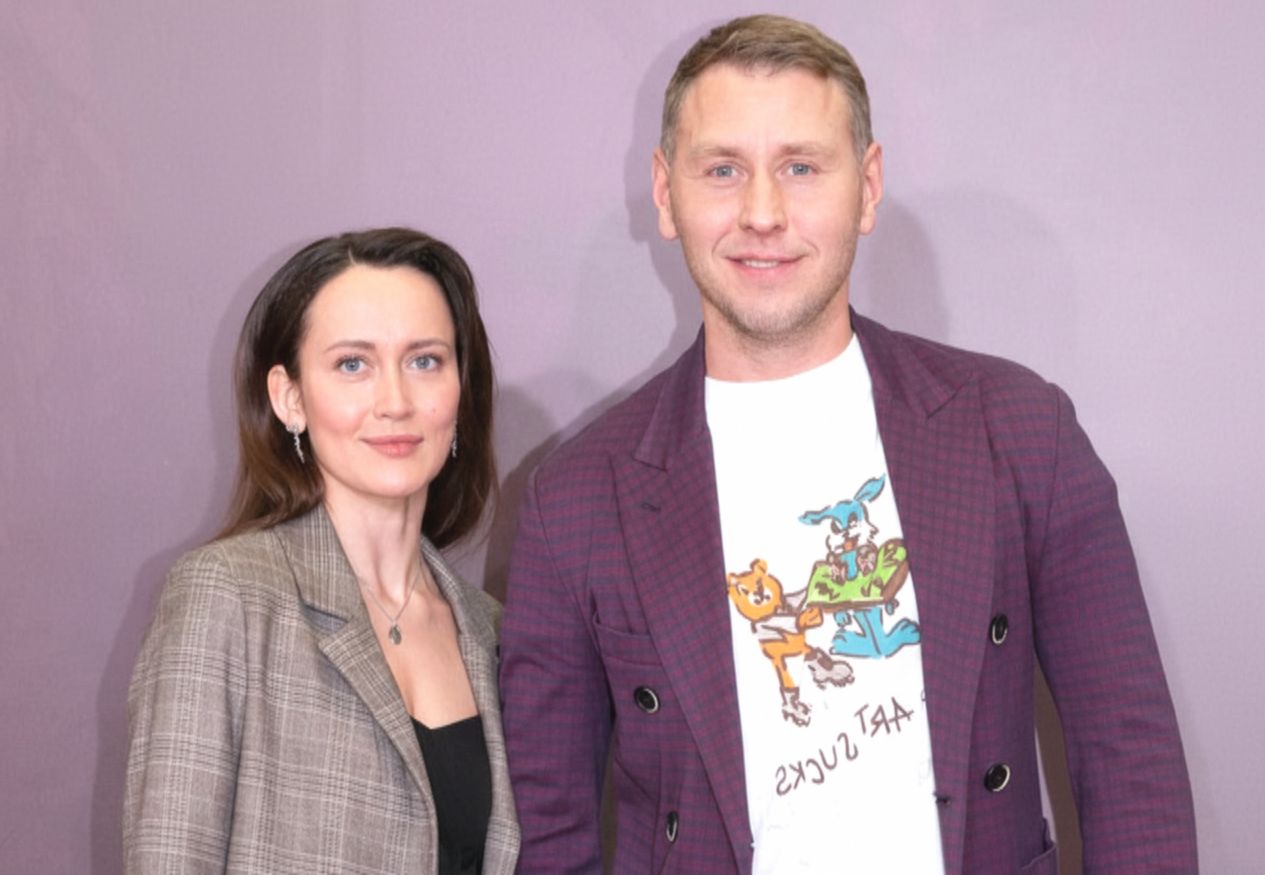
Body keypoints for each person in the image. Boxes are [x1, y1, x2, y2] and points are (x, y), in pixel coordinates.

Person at [499, 14, 1195, 874]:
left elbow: (1131, 759)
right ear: (665, 191)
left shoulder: (1018, 429)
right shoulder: (576, 498)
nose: (762, 213)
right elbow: (550, 834)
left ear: (865, 188)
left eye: (800, 167)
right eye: (722, 169)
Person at [124, 227, 520, 874]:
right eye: (352, 365)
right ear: (290, 398)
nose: (395, 403)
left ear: (460, 389)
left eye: (424, 361)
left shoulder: (491, 631)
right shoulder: (227, 596)